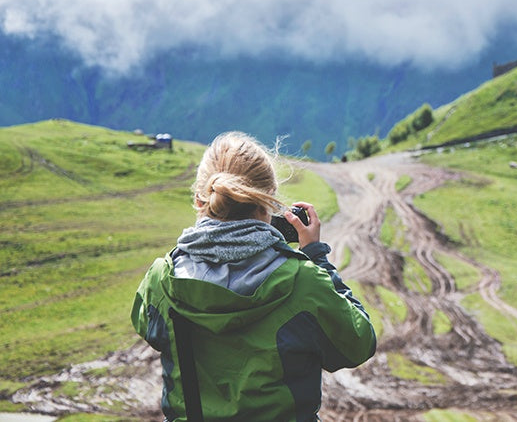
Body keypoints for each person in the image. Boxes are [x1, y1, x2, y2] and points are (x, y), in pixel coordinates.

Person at [131, 132, 376, 421]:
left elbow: (147, 326)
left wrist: (199, 242)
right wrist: (317, 257)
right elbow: (359, 344)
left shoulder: (162, 278)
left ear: (201, 201)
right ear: (268, 203)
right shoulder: (303, 281)